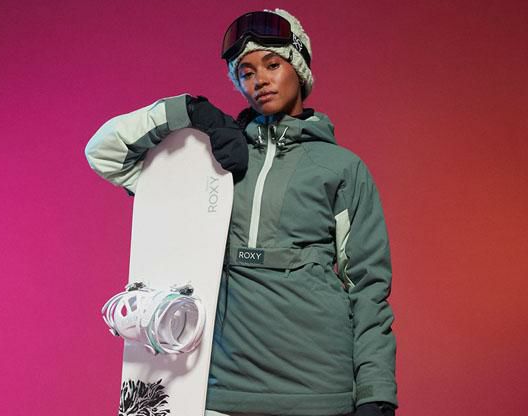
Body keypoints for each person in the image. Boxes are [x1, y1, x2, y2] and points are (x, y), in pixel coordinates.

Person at [85, 8, 397, 416]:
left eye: (272, 64)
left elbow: (368, 286)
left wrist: (376, 392)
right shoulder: (210, 161)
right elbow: (104, 153)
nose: (259, 80)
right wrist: (190, 112)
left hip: (319, 389)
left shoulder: (342, 168)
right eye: (246, 72)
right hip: (218, 389)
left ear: (299, 68)